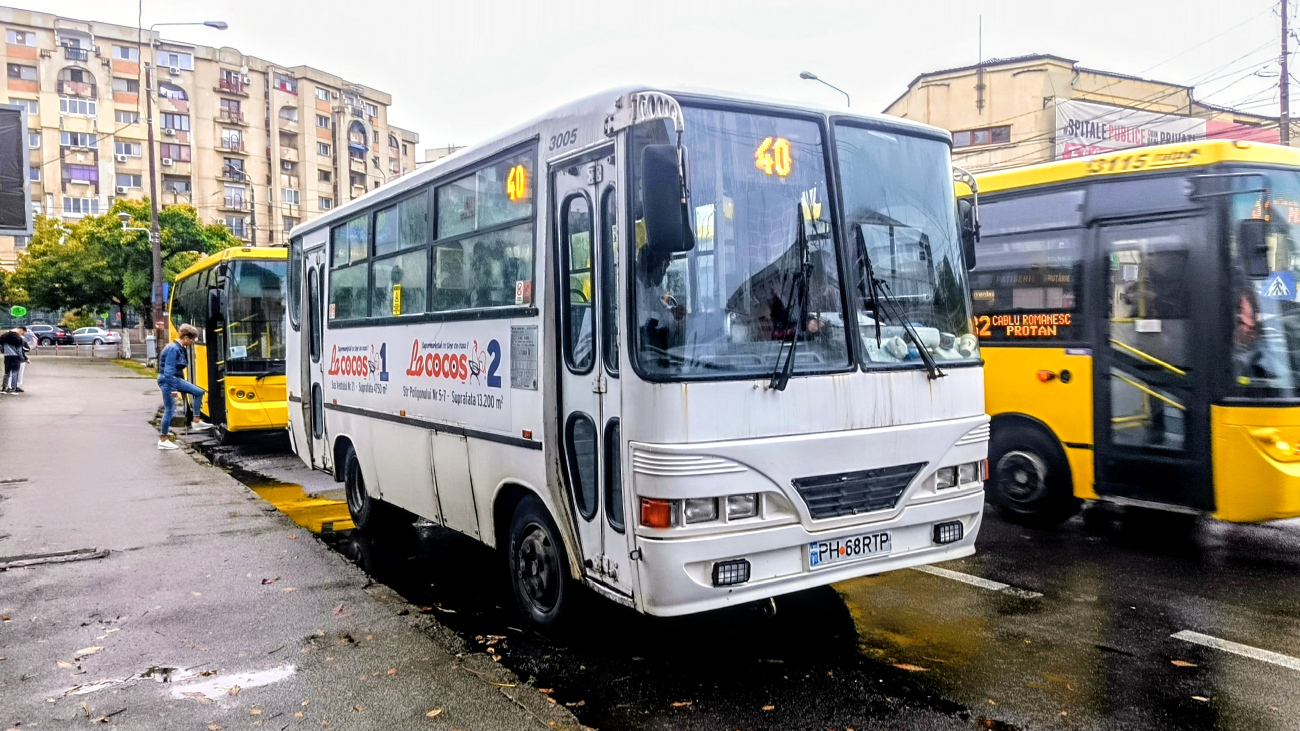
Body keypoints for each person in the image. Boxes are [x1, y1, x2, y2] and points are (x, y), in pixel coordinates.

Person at [157, 324, 212, 450]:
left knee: (198, 392)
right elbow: (168, 371)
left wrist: (182, 383)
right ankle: (163, 439)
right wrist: (173, 389)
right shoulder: (173, 349)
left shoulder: (179, 348)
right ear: (186, 338)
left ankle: (196, 421)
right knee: (170, 409)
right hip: (168, 381)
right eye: (192, 340)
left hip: (174, 379)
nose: (193, 342)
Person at [1, 326, 26, 394]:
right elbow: (19, 350)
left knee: (7, 372)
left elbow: (1, 347)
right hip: (15, 357)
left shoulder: (4, 337)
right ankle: (13, 388)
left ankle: (4, 388)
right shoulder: (18, 339)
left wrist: (4, 351)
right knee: (15, 372)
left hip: (7, 356)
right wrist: (22, 358)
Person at [16, 325, 36, 391]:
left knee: (14, 372)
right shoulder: (22, 339)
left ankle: (12, 385)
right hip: (20, 359)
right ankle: (17, 385)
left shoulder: (14, 338)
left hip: (14, 357)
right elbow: (23, 350)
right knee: (19, 373)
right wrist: (26, 358)